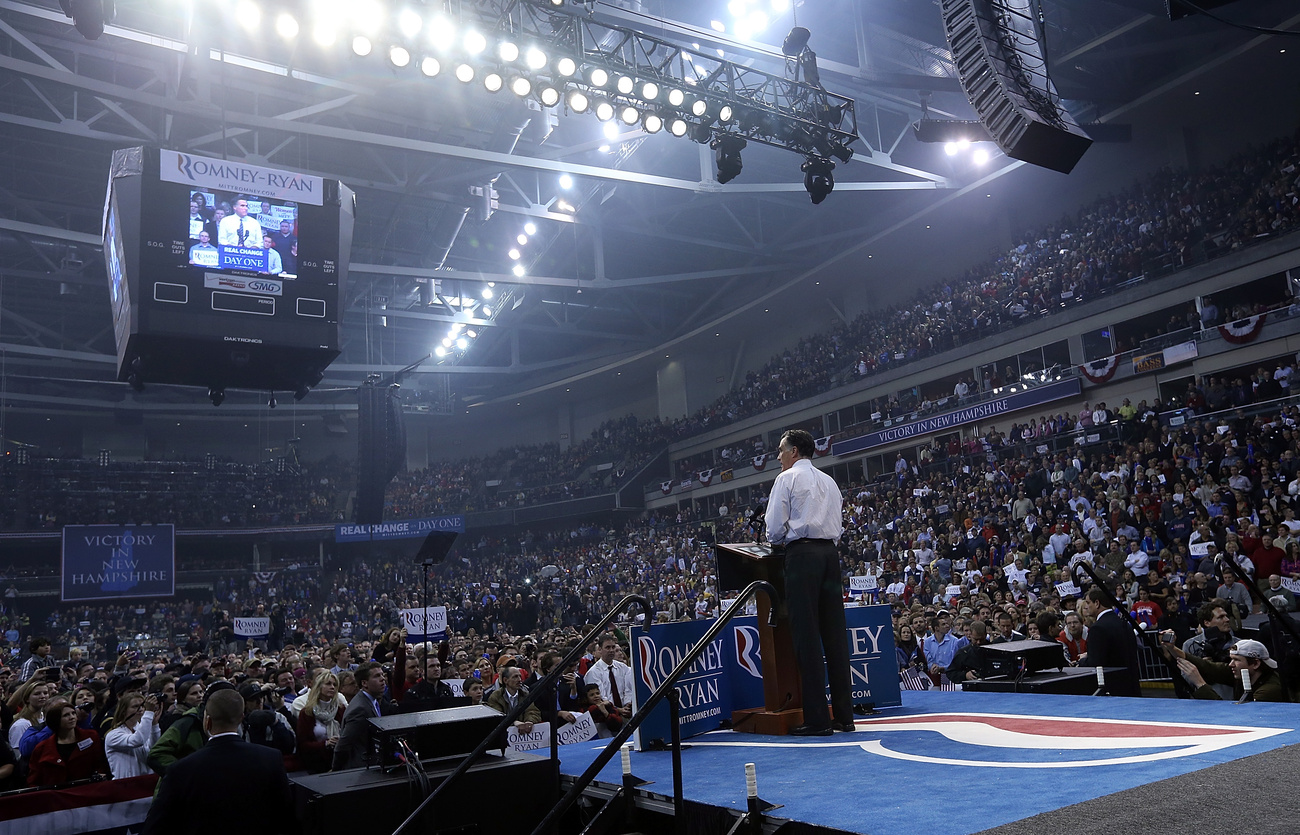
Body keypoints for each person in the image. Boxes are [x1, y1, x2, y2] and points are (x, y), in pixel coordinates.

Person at [765, 429, 854, 736]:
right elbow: (838, 525)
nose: (778, 456)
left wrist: (776, 541)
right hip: (829, 556)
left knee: (807, 636)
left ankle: (818, 719)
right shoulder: (829, 481)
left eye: (780, 450)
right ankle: (844, 716)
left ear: (794, 452)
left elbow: (775, 526)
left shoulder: (786, 479)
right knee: (834, 636)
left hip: (802, 556)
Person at [142, 689, 297, 835]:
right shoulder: (270, 758)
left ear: (207, 721)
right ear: (241, 718)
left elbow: (155, 827)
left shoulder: (181, 769)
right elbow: (285, 815)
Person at [1161, 637, 1288, 702]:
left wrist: (1200, 684)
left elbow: (1236, 715)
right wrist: (1172, 648)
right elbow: (1209, 667)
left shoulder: (1269, 690)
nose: (1231, 664)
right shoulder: (1245, 673)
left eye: (1237, 660)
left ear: (1255, 664)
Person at [27, 701, 110, 786]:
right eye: (66, 715)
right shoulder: (42, 748)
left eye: (73, 713)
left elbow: (101, 763)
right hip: (56, 795)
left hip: (87, 790)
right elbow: (34, 779)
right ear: (55, 720)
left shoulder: (91, 737)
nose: (72, 717)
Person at [1078, 587, 1142, 697]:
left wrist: (1082, 661)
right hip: (1131, 686)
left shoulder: (1097, 628)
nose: (1086, 606)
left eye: (1088, 603)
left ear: (1097, 603)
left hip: (1112, 690)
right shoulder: (1124, 623)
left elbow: (1096, 662)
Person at [331, 661, 386, 771]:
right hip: (360, 769)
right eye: (377, 676)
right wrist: (335, 771)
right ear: (364, 683)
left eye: (382, 675)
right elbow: (343, 746)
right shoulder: (360, 709)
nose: (382, 679)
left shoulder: (372, 700)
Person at [295, 670, 345, 774]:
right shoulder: (307, 712)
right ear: (319, 686)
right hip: (316, 763)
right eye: (328, 684)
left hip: (340, 761)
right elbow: (302, 744)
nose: (332, 687)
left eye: (335, 685)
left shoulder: (340, 709)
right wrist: (325, 744)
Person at [104, 690, 160, 779]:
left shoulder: (142, 728)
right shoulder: (113, 735)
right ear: (123, 710)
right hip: (125, 785)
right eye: (135, 706)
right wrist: (148, 712)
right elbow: (138, 740)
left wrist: (154, 724)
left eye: (142, 706)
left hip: (147, 782)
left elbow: (154, 749)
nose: (141, 709)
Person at [584, 634, 633, 721]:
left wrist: (627, 704)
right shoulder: (593, 672)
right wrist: (618, 710)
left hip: (626, 712)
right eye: (607, 647)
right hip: (607, 717)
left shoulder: (623, 667)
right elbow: (599, 698)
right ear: (600, 649)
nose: (611, 650)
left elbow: (628, 689)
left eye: (613, 647)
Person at [485, 666, 541, 734]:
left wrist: (529, 721)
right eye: (515, 677)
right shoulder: (495, 697)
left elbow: (532, 711)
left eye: (520, 676)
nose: (519, 679)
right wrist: (514, 722)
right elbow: (497, 718)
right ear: (505, 680)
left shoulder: (525, 694)